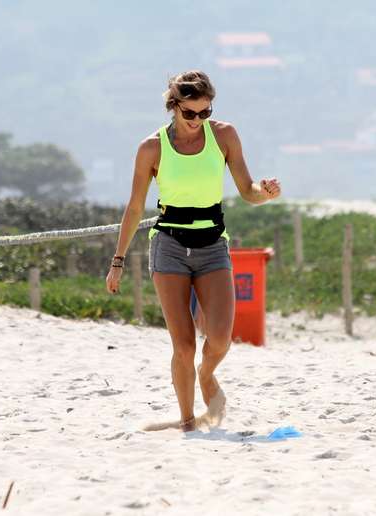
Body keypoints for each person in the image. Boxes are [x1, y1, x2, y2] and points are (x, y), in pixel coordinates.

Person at [105, 70, 281, 432]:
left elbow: (247, 190)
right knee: (183, 346)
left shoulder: (225, 136)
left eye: (205, 112)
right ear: (174, 108)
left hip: (212, 244)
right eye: (190, 114)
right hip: (169, 246)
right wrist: (117, 261)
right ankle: (187, 421)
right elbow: (135, 208)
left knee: (219, 339)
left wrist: (264, 193)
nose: (198, 121)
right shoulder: (151, 148)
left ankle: (206, 374)